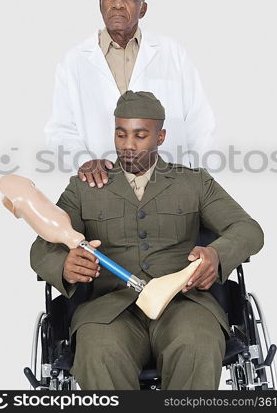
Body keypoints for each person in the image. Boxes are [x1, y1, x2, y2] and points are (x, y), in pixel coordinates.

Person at [31, 91, 264, 390]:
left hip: (184, 303)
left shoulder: (194, 183)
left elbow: (248, 229)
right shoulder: (85, 188)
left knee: (197, 343)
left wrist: (217, 254)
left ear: (161, 136)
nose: (128, 145)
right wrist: (64, 265)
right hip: (110, 309)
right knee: (98, 352)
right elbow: (43, 246)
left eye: (140, 135)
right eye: (121, 134)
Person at [44, 0, 216, 188]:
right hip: (104, 188)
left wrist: (197, 181)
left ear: (142, 9)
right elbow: (59, 129)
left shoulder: (172, 54)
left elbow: (200, 122)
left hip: (170, 185)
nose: (117, 4)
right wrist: (84, 161)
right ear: (100, 5)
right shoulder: (74, 61)